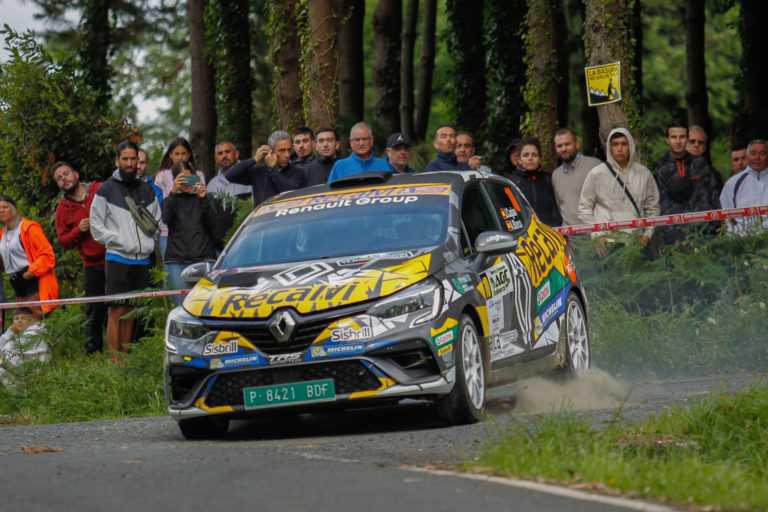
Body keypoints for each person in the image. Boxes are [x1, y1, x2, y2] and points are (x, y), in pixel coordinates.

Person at [90, 141, 161, 362]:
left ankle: (125, 360)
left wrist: (148, 244)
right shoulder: (106, 189)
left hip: (143, 259)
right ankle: (115, 362)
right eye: (125, 159)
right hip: (118, 258)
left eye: (133, 159)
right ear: (117, 161)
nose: (130, 163)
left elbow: (156, 221)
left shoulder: (146, 189)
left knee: (131, 311)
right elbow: (96, 225)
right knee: (116, 311)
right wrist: (119, 241)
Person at [578, 128, 661, 257]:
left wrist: (647, 235)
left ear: (630, 146)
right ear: (609, 148)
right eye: (615, 144)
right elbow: (584, 208)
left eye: (624, 144)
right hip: (607, 242)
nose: (620, 148)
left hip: (637, 242)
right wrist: (596, 235)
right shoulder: (596, 174)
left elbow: (653, 207)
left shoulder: (644, 174)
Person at [53, 162, 107, 354]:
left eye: (66, 174)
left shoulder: (99, 189)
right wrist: (78, 230)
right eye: (59, 178)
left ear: (76, 174)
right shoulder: (63, 208)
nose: (64, 179)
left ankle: (126, 348)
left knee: (122, 304)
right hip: (92, 263)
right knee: (94, 309)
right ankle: (93, 351)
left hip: (118, 256)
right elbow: (62, 241)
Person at [163, 161, 224, 304]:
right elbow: (166, 219)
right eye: (181, 179)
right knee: (182, 304)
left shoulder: (205, 198)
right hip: (177, 260)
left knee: (207, 303)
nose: (186, 182)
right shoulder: (170, 200)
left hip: (204, 258)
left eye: (189, 178)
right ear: (175, 180)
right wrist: (173, 193)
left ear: (195, 177)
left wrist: (203, 198)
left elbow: (214, 225)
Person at [653, 122, 721, 242]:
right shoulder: (660, 167)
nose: (678, 141)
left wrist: (714, 226)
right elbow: (655, 202)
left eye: (682, 137)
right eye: (674, 137)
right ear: (667, 140)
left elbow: (715, 197)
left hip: (704, 232)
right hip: (672, 234)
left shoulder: (702, 165)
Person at [0, 195, 59, 316]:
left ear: (14, 208)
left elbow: (48, 255)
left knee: (36, 321)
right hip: (16, 283)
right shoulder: (2, 234)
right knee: (21, 324)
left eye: (5, 207)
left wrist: (30, 272)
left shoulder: (29, 227)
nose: (1, 210)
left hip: (33, 280)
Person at [153, 138, 206, 259]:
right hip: (167, 230)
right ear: (170, 155)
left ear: (189, 154)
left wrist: (192, 184)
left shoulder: (197, 175)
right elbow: (160, 203)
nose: (180, 157)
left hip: (193, 230)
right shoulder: (162, 175)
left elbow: (201, 198)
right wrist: (174, 189)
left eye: (183, 153)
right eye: (176, 154)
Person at [225, 130, 307, 206]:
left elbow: (289, 193)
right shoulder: (259, 171)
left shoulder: (298, 171)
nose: (287, 155)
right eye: (282, 150)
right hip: (263, 216)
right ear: (271, 151)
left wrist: (273, 169)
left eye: (289, 150)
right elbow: (230, 175)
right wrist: (254, 159)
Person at [505, 137, 562, 226]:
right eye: (526, 155)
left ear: (540, 158)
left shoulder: (549, 179)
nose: (530, 158)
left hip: (551, 231)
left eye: (534, 155)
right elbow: (508, 212)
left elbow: (557, 208)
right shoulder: (510, 183)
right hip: (524, 232)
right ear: (519, 160)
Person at [551, 128, 602, 226]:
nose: (564, 149)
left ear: (577, 144)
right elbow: (560, 205)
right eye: (559, 146)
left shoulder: (594, 165)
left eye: (567, 144)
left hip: (594, 230)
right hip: (569, 233)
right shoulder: (556, 175)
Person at [720, 139, 768, 235]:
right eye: (753, 153)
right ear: (748, 156)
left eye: (762, 153)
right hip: (743, 240)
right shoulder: (732, 183)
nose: (757, 157)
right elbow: (727, 216)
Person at [0, 308, 50, 387]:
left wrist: (9, 333)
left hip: (33, 373)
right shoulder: (23, 333)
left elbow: (10, 349)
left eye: (23, 318)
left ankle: (19, 392)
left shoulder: (33, 333)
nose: (19, 321)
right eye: (16, 319)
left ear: (31, 320)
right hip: (26, 369)